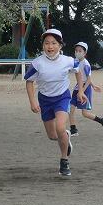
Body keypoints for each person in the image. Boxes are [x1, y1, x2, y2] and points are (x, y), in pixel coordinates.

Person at [24, 29, 86, 177]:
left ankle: (64, 161)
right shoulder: (37, 63)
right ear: (43, 45)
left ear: (60, 45)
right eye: (47, 43)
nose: (50, 46)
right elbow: (29, 82)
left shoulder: (68, 61)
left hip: (62, 97)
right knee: (53, 135)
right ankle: (65, 136)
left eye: (54, 43)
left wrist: (81, 91)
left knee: (60, 127)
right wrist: (32, 101)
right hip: (45, 100)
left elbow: (78, 72)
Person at [69, 41, 103, 136]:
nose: (77, 52)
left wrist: (82, 91)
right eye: (76, 51)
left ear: (85, 53)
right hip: (78, 87)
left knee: (85, 113)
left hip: (84, 88)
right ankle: (73, 130)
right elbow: (83, 77)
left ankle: (102, 120)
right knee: (70, 109)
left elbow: (88, 79)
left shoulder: (86, 64)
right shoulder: (76, 62)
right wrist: (93, 85)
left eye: (80, 51)